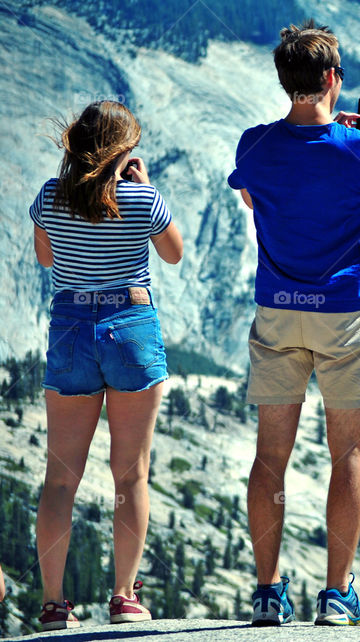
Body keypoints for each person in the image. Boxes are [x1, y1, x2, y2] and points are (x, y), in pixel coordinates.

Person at [227, 20, 360, 627]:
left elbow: (254, 198)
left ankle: (265, 591)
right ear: (334, 78)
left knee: (269, 457)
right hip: (342, 315)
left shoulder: (253, 144)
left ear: (286, 81)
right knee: (348, 452)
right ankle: (336, 595)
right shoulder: (357, 149)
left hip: (279, 311)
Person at [30, 101, 183, 631]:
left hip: (71, 327)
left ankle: (53, 604)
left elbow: (47, 258)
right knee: (130, 473)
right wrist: (146, 186)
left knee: (59, 480)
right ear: (122, 151)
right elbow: (173, 254)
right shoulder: (143, 198)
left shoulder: (49, 196)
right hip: (130, 324)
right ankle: (123, 597)